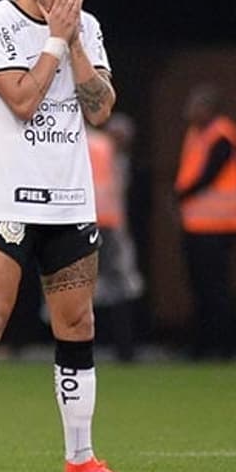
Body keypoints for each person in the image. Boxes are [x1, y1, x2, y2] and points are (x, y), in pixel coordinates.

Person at [0, 0, 142, 472]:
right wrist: (56, 41)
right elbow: (22, 99)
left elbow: (101, 109)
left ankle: (81, 459)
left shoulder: (89, 27)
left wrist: (77, 42)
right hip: (10, 200)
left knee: (78, 323)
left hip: (71, 201)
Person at [175, 84, 236, 360]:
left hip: (219, 227)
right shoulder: (196, 134)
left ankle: (221, 347)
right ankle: (203, 345)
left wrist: (180, 195)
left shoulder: (222, 135)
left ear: (209, 108)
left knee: (215, 288)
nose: (190, 110)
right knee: (200, 288)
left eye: (196, 105)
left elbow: (209, 175)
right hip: (197, 225)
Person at [88, 115, 142, 362]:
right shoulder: (108, 152)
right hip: (107, 225)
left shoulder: (92, 146)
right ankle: (121, 348)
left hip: (94, 224)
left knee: (102, 287)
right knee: (113, 287)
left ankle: (119, 347)